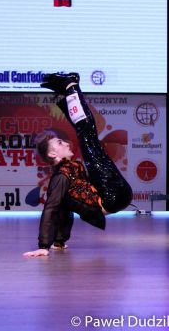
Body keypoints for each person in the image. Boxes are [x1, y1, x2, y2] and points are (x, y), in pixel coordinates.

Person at [23, 72, 133, 257]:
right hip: (112, 196)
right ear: (52, 154)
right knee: (86, 133)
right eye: (59, 143)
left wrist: (59, 241)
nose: (66, 143)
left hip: (114, 195)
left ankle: (66, 92)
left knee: (85, 133)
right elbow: (51, 208)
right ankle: (70, 86)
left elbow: (65, 208)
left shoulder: (70, 168)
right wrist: (43, 246)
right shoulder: (61, 176)